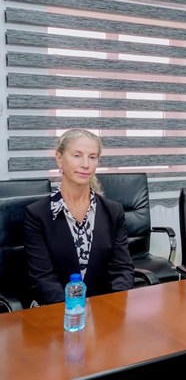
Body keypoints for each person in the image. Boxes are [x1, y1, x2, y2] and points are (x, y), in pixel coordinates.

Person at [24, 129, 134, 305]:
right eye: (77, 155)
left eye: (92, 157)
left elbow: (122, 269)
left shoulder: (113, 211)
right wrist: (73, 311)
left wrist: (115, 307)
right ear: (59, 158)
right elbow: (42, 278)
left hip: (104, 308)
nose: (85, 164)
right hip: (58, 310)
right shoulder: (37, 214)